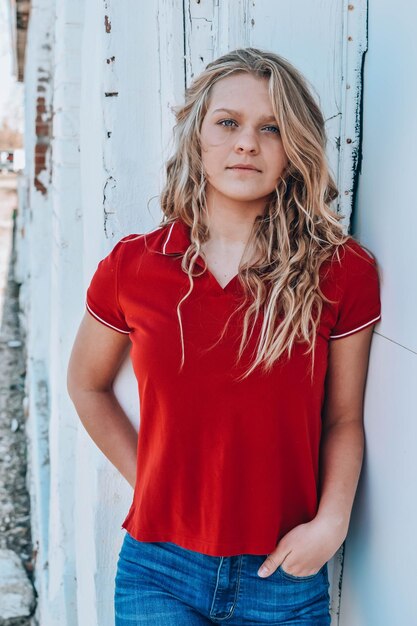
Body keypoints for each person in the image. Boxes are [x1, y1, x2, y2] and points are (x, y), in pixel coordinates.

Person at [67, 47, 382, 625]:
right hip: (158, 571)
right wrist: (151, 484)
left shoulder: (341, 271)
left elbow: (343, 418)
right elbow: (87, 384)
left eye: (271, 128)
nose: (246, 143)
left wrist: (331, 525)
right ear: (197, 137)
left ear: (294, 149)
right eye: (228, 123)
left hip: (283, 576)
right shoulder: (134, 266)